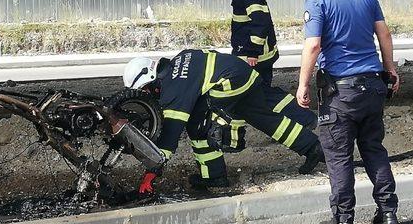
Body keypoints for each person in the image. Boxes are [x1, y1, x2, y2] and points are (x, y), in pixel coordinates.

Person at [292, 0, 400, 224]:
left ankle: (344, 220)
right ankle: (388, 213)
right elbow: (384, 35)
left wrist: (302, 85)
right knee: (374, 149)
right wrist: (390, 71)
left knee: (338, 156)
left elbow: (313, 46)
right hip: (373, 85)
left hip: (340, 92)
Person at [122, 49, 325, 192]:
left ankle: (216, 174)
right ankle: (314, 148)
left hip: (231, 83)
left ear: (151, 77)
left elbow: (170, 135)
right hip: (242, 75)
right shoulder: (181, 58)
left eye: (147, 90)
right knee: (267, 119)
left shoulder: (174, 89)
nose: (150, 94)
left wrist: (152, 172)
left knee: (199, 126)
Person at [205, 0, 318, 152]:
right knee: (257, 95)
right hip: (253, 52)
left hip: (255, 54)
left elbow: (260, 19)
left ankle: (303, 120)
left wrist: (251, 51)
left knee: (253, 95)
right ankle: (300, 121)